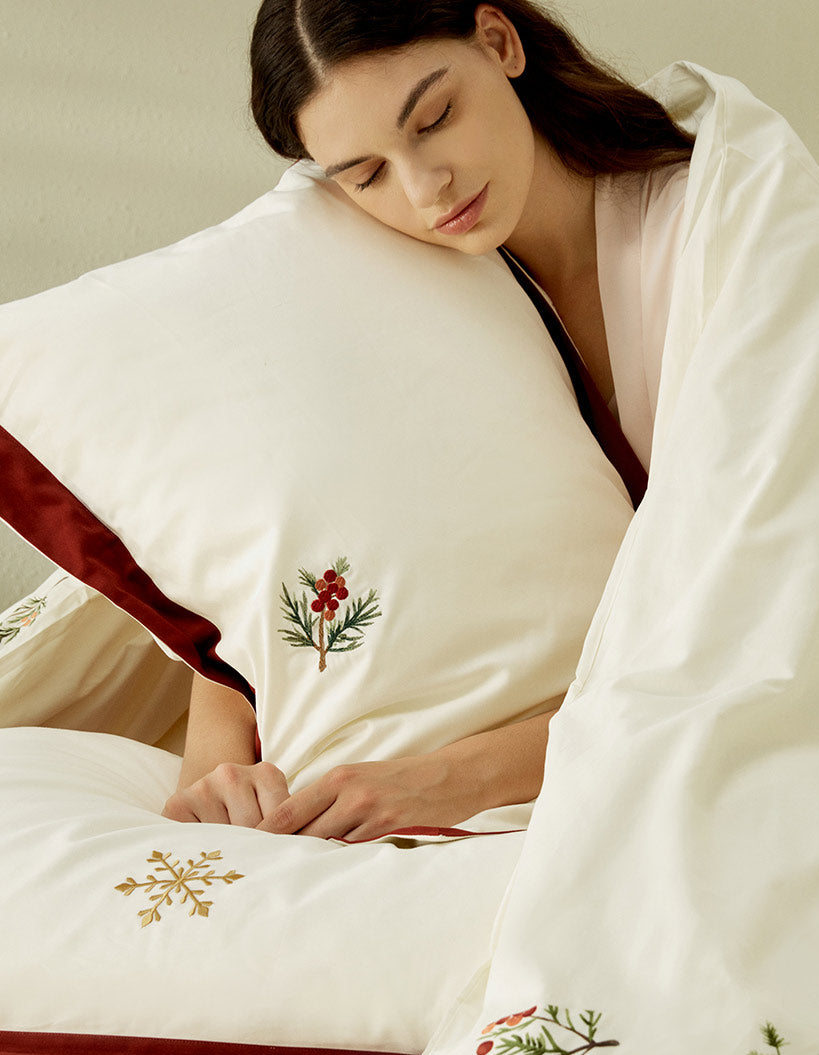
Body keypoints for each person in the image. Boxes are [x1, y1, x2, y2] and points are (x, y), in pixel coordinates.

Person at [162, 0, 693, 837]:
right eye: (365, 173)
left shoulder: (715, 228)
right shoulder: (358, 266)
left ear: (500, 41)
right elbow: (273, 518)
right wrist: (217, 761)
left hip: (677, 718)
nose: (423, 188)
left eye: (435, 118)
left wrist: (455, 778)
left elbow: (777, 606)